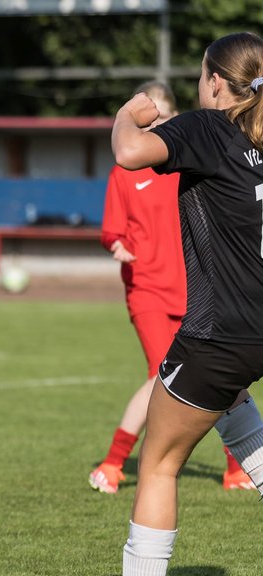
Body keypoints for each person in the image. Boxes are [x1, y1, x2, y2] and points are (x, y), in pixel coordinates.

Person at [94, 31, 263, 576]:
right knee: (233, 411)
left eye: (200, 77)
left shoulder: (210, 127)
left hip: (221, 334)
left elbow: (131, 152)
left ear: (216, 82)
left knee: (160, 462)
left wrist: (127, 112)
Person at [90, 81, 249, 495]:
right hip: (146, 290)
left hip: (194, 292)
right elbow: (110, 229)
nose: (156, 124)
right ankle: (113, 461)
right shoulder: (126, 171)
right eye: (149, 117)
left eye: (162, 116)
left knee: (218, 378)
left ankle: (235, 469)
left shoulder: (190, 160)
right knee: (163, 371)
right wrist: (118, 245)